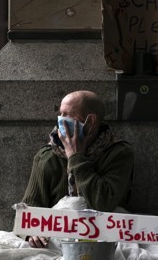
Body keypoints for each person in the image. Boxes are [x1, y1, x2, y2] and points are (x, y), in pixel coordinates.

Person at [22, 90, 135, 248]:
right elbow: (28, 209)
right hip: (58, 241)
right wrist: (30, 232)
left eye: (67, 115)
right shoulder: (47, 157)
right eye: (60, 114)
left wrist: (76, 158)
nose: (61, 120)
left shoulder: (119, 153)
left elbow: (103, 203)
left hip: (106, 237)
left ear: (91, 121)